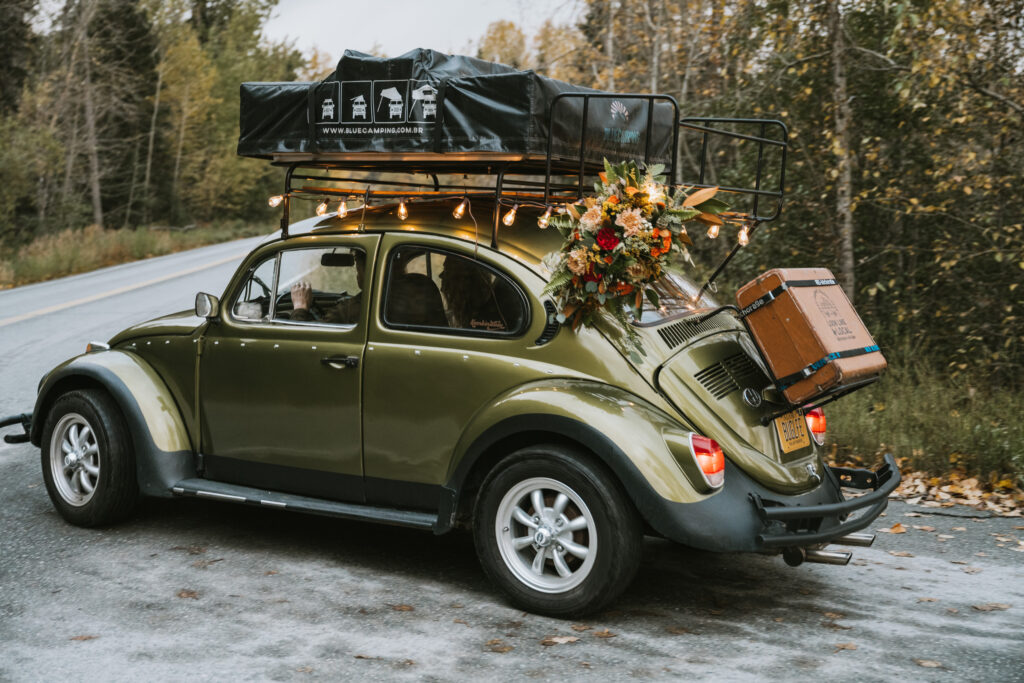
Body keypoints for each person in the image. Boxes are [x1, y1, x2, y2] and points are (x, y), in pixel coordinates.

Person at [288, 251, 365, 324]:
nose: (356, 269)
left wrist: (300, 306)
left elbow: (303, 335)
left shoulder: (349, 310)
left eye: (357, 261)